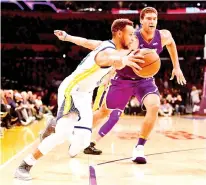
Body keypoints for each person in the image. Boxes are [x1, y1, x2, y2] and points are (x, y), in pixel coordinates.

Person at [41, 7, 186, 164]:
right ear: (142, 20)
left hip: (144, 80)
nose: (152, 21)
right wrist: (69, 38)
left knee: (154, 106)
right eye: (148, 18)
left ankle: (139, 148)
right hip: (122, 79)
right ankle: (69, 129)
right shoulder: (131, 39)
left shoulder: (163, 35)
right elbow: (100, 47)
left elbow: (171, 44)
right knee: (103, 112)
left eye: (154, 18)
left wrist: (176, 66)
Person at [14, 18, 144, 180]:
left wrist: (68, 37)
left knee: (83, 143)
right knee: (62, 135)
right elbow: (107, 59)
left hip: (84, 95)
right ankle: (25, 165)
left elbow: (87, 42)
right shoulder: (107, 52)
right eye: (130, 34)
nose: (133, 37)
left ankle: (54, 124)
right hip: (72, 90)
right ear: (119, 33)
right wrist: (125, 58)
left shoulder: (105, 44)